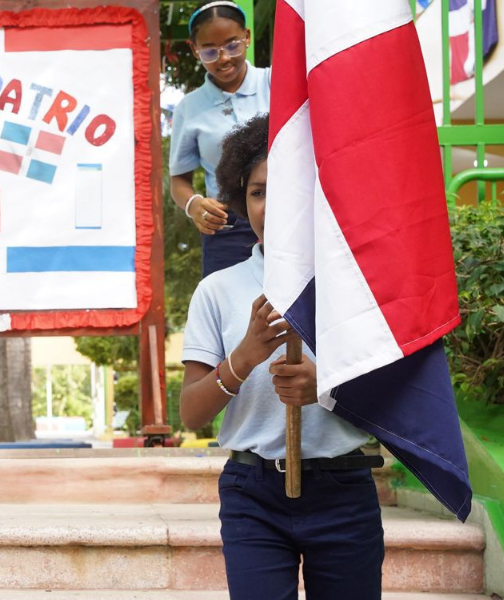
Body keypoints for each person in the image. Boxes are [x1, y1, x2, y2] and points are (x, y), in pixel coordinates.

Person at [178, 114, 384, 599]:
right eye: (258, 191)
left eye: (289, 188)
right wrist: (243, 358)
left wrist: (328, 389)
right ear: (240, 198)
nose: (272, 206)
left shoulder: (355, 285)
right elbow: (191, 414)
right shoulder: (218, 290)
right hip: (253, 493)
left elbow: (396, 398)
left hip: (344, 489)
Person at [169, 1, 266, 277]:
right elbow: (178, 181)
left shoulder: (275, 83)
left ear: (246, 36)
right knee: (229, 310)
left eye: (232, 45)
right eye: (209, 51)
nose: (223, 59)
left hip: (284, 216)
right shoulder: (190, 107)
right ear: (194, 49)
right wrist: (194, 204)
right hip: (226, 228)